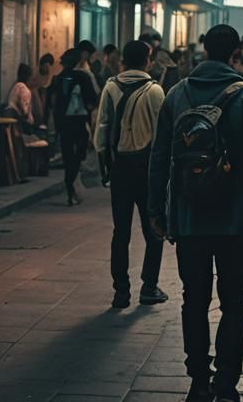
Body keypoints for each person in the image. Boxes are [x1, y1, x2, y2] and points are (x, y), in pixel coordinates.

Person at [148, 24, 243, 402]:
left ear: (204, 50)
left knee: (194, 298)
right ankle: (226, 382)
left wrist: (157, 209)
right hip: (235, 220)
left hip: (189, 219)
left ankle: (197, 380)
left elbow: (160, 158)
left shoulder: (177, 94)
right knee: (235, 301)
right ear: (236, 52)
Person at [95, 39, 167, 309]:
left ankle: (121, 292)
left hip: (121, 168)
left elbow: (102, 127)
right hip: (148, 169)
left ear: (123, 60)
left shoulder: (111, 87)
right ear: (148, 60)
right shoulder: (155, 91)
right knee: (154, 230)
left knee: (121, 232)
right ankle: (149, 286)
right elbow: (163, 135)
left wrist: (104, 162)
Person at [53, 48, 99, 206]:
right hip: (79, 121)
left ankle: (70, 186)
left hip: (64, 122)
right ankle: (71, 185)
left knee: (68, 156)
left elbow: (54, 102)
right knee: (78, 155)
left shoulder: (59, 78)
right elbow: (93, 99)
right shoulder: (83, 77)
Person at [5, 63, 36, 134]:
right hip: (21, 122)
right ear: (28, 77)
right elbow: (24, 109)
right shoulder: (23, 88)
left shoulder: (16, 86)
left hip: (14, 118)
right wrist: (28, 116)